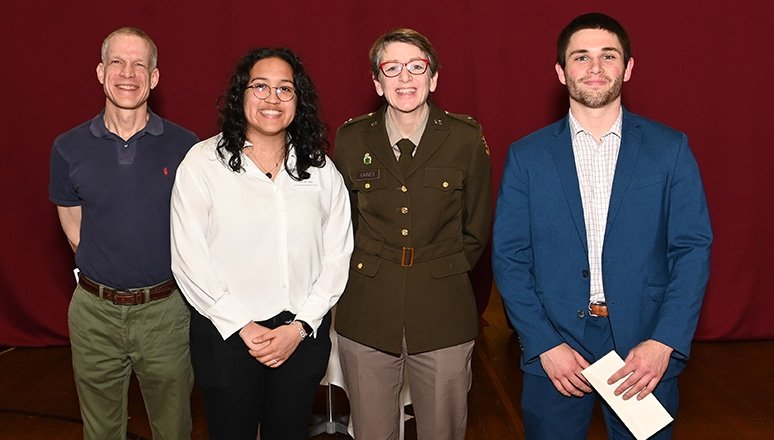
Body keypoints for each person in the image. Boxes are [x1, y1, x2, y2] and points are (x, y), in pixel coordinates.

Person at [492, 12, 712, 440]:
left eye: (608, 56)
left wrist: (664, 341)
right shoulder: (527, 156)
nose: (595, 68)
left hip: (643, 349)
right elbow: (509, 256)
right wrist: (543, 344)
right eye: (581, 57)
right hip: (556, 347)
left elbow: (692, 249)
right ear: (561, 71)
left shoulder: (670, 148)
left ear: (627, 68)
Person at [170, 47, 353, 440]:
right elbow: (188, 258)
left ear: (298, 101)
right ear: (241, 95)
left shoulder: (321, 171)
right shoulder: (202, 164)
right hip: (226, 338)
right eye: (261, 86)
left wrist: (301, 326)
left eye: (285, 89)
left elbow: (338, 255)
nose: (272, 98)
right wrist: (243, 326)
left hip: (301, 338)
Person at [333, 28, 492, 439]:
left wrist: (444, 270)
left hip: (443, 311)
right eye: (392, 68)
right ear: (377, 82)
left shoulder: (465, 137)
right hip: (368, 310)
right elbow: (341, 224)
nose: (405, 78)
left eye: (417, 67)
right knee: (371, 431)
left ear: (433, 78)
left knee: (443, 429)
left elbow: (476, 227)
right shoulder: (351, 139)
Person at [48, 27, 196, 439]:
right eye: (117, 62)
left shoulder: (186, 147)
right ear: (100, 71)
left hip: (166, 313)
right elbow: (74, 228)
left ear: (154, 77)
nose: (127, 73)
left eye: (139, 65)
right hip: (94, 314)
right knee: (100, 431)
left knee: (173, 428)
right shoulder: (67, 147)